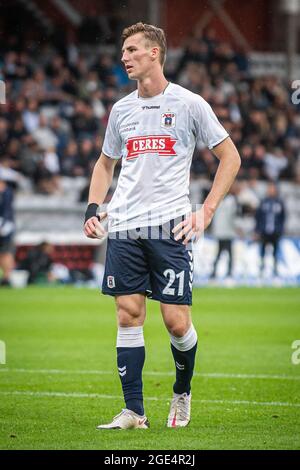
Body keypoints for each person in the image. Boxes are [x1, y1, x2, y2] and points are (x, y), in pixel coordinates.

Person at [84, 22, 241, 430]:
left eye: (132, 50)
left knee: (176, 322)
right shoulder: (121, 110)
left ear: (155, 53)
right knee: (127, 314)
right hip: (124, 228)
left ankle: (182, 391)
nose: (124, 57)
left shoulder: (190, 104)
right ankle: (134, 412)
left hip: (170, 228)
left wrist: (205, 212)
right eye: (123, 51)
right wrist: (93, 207)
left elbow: (231, 158)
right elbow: (105, 163)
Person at [210, 183, 240, 279]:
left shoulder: (223, 200)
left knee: (223, 254)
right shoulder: (231, 200)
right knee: (223, 254)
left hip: (225, 232)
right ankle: (222, 272)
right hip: (224, 232)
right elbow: (234, 217)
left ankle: (223, 272)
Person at [255, 182, 285, 277]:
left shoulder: (279, 202)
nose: (271, 190)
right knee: (262, 251)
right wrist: (258, 230)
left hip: (275, 231)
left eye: (272, 189)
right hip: (264, 231)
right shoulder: (263, 202)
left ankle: (275, 271)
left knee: (275, 252)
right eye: (269, 189)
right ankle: (261, 270)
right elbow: (258, 217)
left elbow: (283, 217)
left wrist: (280, 229)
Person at [0, 177, 15, 286]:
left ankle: (6, 277)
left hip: (6, 226)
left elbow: (7, 212)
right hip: (6, 225)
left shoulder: (7, 193)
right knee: (6, 253)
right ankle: (6, 277)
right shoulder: (7, 192)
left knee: (6, 253)